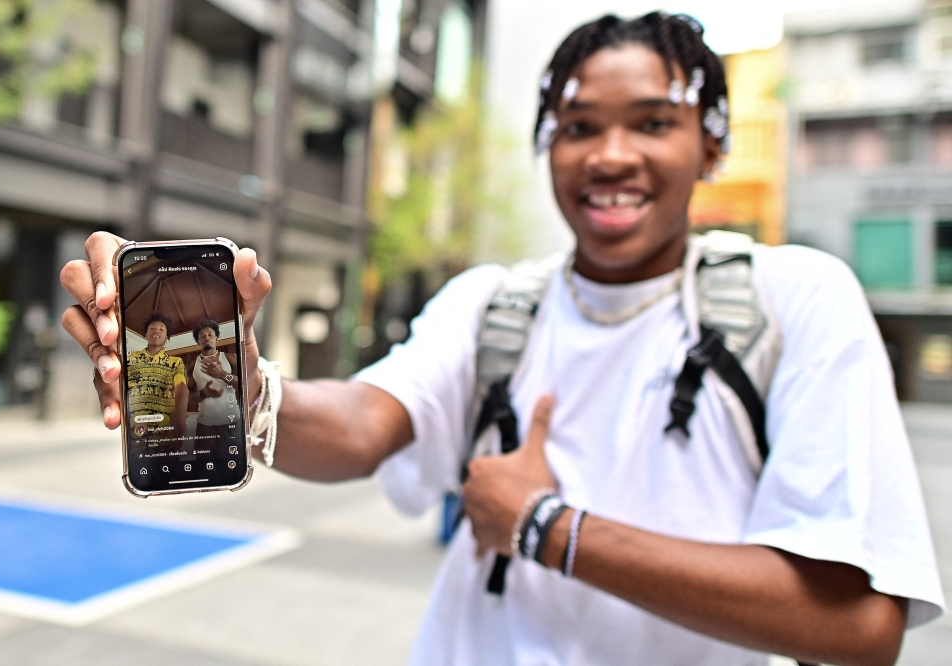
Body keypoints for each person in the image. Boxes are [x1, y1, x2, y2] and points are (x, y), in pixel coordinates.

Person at [60, 12, 943, 666]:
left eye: (653, 122)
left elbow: (860, 626)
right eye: (579, 127)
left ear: (711, 146)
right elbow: (365, 424)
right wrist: (245, 386)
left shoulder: (796, 298)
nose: (610, 155)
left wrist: (549, 528)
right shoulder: (492, 302)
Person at [125, 312, 187, 440]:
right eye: (152, 328)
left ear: (166, 337)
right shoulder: (130, 359)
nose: (156, 331)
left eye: (161, 329)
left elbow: (181, 389)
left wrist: (179, 420)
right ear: (146, 334)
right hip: (132, 428)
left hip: (165, 430)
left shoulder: (175, 362)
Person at [187, 318, 240, 449]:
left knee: (233, 459)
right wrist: (204, 393)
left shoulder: (231, 358)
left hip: (232, 420)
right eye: (202, 336)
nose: (207, 338)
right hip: (205, 424)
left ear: (217, 338)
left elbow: (243, 386)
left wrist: (222, 374)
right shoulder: (192, 365)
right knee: (203, 459)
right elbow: (188, 397)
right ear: (198, 341)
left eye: (210, 335)